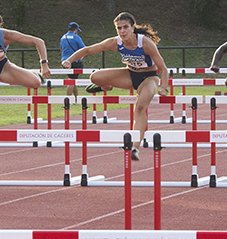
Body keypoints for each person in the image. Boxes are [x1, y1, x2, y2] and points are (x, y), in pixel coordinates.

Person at [61, 12, 169, 161]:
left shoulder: (144, 43)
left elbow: (163, 68)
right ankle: (106, 86)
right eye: (119, 28)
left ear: (132, 28)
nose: (122, 31)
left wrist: (164, 88)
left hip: (149, 78)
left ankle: (135, 147)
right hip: (130, 75)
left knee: (139, 107)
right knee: (95, 77)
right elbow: (88, 50)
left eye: (125, 27)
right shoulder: (115, 42)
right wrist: (69, 60)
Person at [60, 21, 86, 100]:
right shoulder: (76, 37)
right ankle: (68, 99)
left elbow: (61, 49)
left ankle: (77, 98)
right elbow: (84, 49)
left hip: (64, 62)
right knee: (71, 81)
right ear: (75, 29)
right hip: (75, 62)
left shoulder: (63, 37)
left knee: (73, 80)